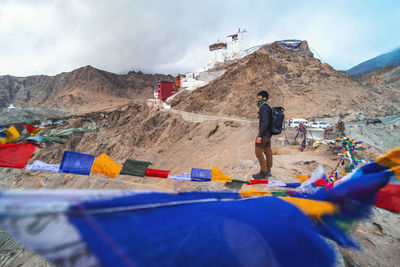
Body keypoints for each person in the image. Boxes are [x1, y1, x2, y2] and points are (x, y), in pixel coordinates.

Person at [253, 91, 273, 180]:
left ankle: (263, 172)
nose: (258, 99)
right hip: (268, 134)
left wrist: (259, 135)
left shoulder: (263, 107)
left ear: (264, 98)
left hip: (264, 134)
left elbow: (265, 123)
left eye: (259, 97)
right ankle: (268, 171)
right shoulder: (268, 107)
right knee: (268, 151)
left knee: (258, 151)